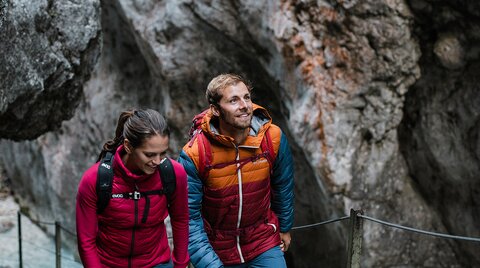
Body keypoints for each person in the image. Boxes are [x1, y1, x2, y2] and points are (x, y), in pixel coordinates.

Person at [178, 74, 295, 267]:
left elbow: (283, 185)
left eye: (247, 97)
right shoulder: (196, 153)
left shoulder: (272, 138)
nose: (245, 105)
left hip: (263, 241)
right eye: (234, 100)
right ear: (215, 110)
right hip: (216, 249)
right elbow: (189, 218)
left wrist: (284, 227)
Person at [76, 109, 189, 268]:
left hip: (157, 263)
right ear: (128, 146)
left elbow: (181, 219)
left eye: (163, 153)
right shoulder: (95, 180)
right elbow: (86, 240)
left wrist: (180, 265)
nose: (157, 161)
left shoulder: (173, 174)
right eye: (149, 155)